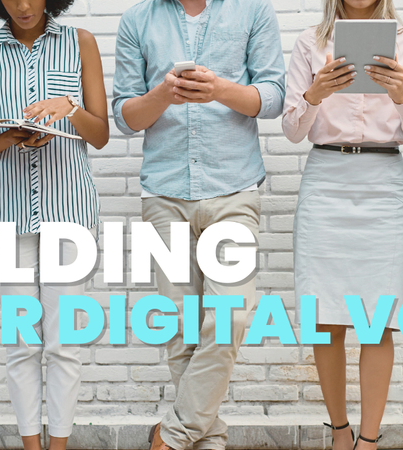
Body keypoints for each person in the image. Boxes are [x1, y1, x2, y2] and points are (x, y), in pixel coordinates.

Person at [112, 0, 285, 449]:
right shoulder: (136, 20)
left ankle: (171, 436)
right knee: (180, 330)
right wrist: (162, 95)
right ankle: (207, 439)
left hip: (234, 189)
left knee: (231, 317)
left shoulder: (254, 11)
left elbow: (273, 98)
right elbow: (126, 118)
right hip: (165, 194)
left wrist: (220, 90)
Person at [282, 0, 403, 447]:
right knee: (324, 317)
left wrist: (402, 94)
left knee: (377, 321)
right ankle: (340, 431)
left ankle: (368, 440)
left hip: (383, 182)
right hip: (326, 179)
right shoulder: (309, 42)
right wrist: (315, 94)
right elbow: (292, 130)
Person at [0, 0, 108, 449]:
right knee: (22, 343)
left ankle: (58, 446)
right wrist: (13, 135)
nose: (23, 5)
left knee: (64, 344)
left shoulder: (80, 42)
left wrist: (68, 107)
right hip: (7, 211)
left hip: (70, 213)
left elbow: (99, 134)